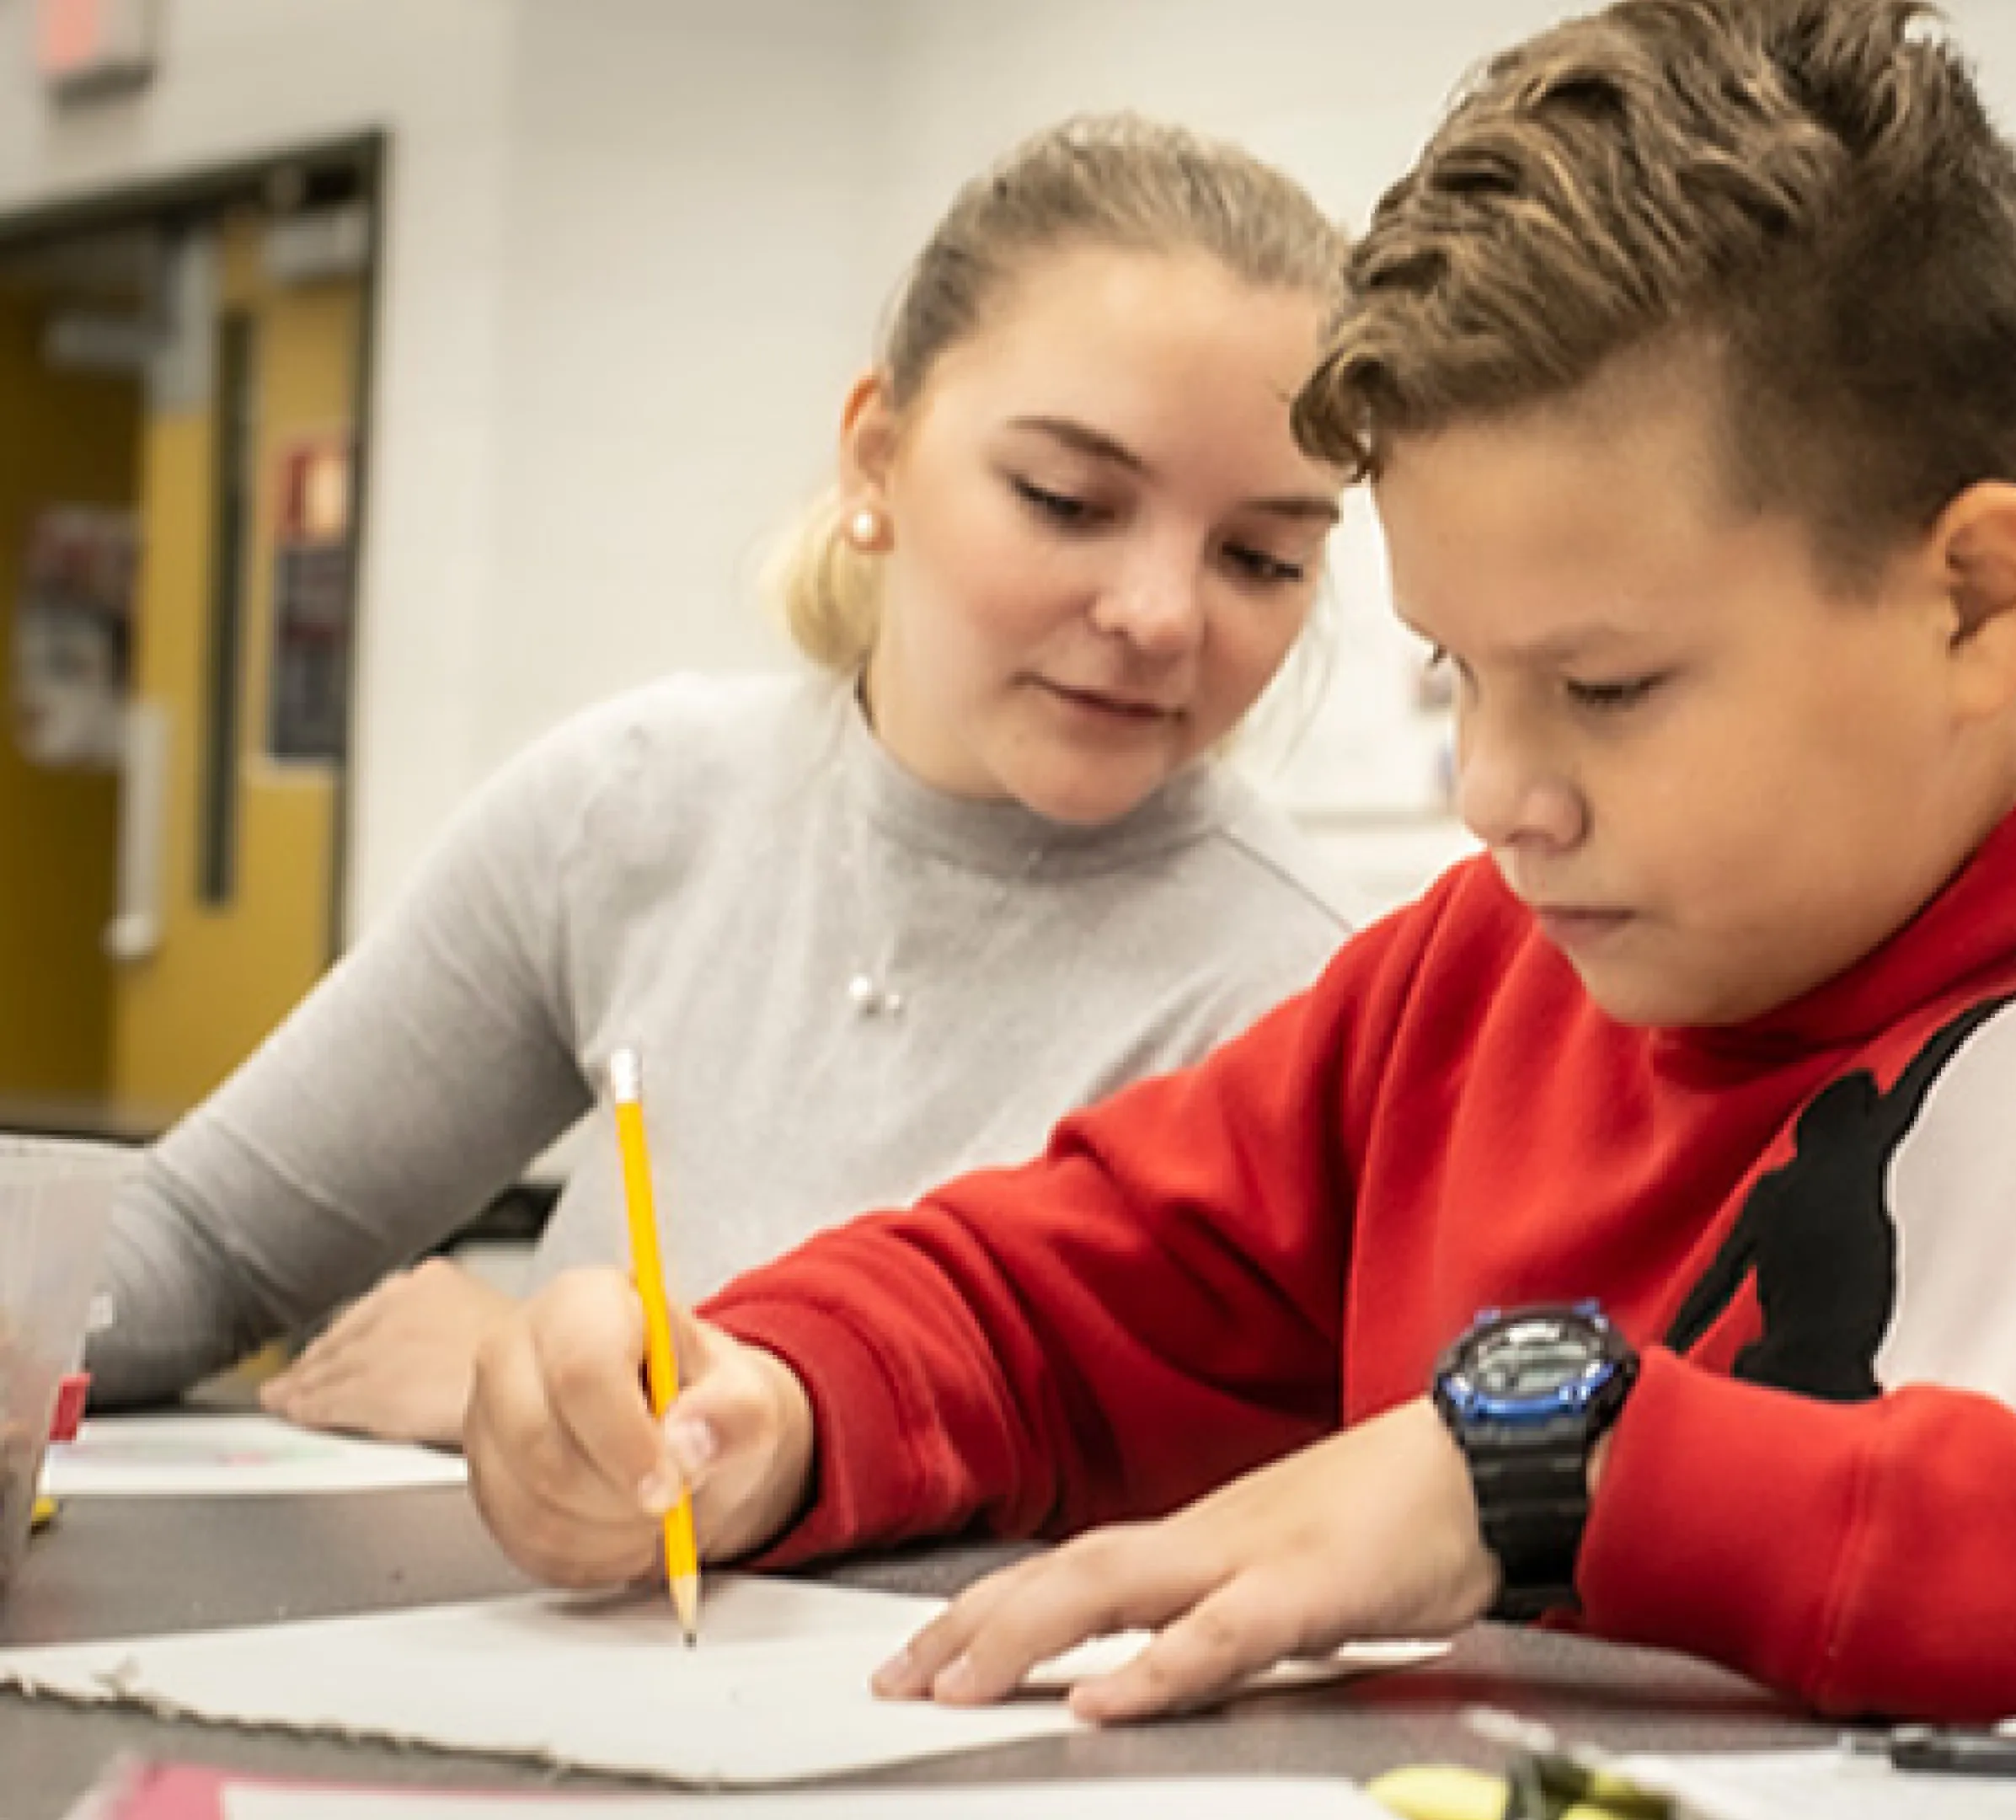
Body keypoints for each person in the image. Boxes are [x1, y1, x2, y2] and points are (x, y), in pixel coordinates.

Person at [466, 0, 2016, 1726]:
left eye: (1605, 690)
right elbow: (1049, 1295)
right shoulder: (1482, 972)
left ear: (1976, 600)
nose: (1500, 793)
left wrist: (1580, 1476)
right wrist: (762, 1396)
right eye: (1453, 678)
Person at [87, 116, 1358, 1445]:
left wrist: (540, 1387)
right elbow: (204, 1238)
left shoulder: (1309, 998)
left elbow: (1134, 1500)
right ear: (878, 458)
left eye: (1262, 559)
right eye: (1066, 500)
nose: (1161, 615)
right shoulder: (632, 808)